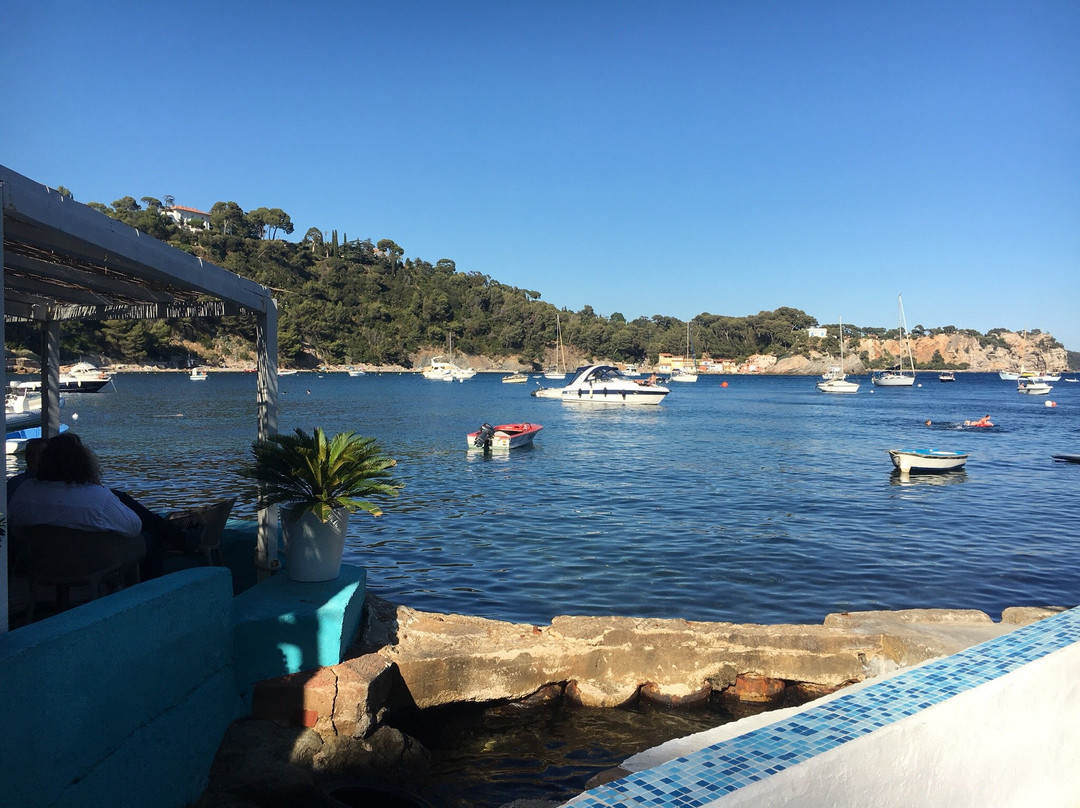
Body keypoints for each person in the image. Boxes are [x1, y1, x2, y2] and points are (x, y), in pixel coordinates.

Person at [8, 433, 200, 578]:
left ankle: (176, 535)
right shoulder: (95, 497)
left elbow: (16, 530)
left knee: (121, 499)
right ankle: (148, 597)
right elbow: (134, 527)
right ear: (81, 462)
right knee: (150, 538)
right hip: (91, 566)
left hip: (42, 567)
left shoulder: (24, 492)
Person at [6, 437, 47, 502]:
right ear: (26, 457)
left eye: (40, 454)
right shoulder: (14, 483)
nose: (35, 458)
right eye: (30, 454)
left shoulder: (15, 483)